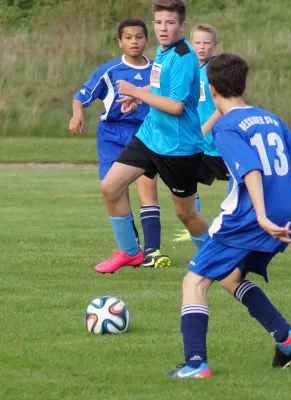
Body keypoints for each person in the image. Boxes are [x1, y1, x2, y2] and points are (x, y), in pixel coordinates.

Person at [168, 54, 291, 378]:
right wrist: (286, 205)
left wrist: (262, 215)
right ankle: (286, 336)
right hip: (284, 213)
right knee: (230, 277)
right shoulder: (270, 118)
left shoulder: (227, 125)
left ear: (210, 89)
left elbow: (250, 168)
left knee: (194, 281)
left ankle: (196, 364)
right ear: (245, 85)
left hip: (249, 217)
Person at [93, 0, 209, 274]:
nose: (163, 28)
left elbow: (175, 106)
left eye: (170, 23)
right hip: (150, 136)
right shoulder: (164, 50)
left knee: (185, 213)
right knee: (111, 187)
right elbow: (159, 86)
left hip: (179, 147)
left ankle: (217, 256)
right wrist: (140, 95)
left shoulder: (182, 56)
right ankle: (130, 253)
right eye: (158, 22)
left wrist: (136, 92)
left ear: (182, 26)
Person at [69, 18, 170, 271]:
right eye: (128, 38)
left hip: (145, 133)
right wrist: (77, 113)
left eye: (139, 37)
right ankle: (131, 248)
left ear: (147, 40)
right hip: (112, 135)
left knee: (147, 187)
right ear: (120, 42)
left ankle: (153, 251)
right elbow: (81, 96)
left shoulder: (158, 69)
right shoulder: (110, 70)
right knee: (115, 189)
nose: (134, 42)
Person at [172, 23, 229, 243]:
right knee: (186, 182)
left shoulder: (216, 71)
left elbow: (223, 106)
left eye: (207, 43)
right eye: (197, 43)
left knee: (241, 183)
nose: (202, 47)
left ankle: (239, 224)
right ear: (190, 42)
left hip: (220, 142)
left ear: (215, 46)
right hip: (197, 144)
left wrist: (204, 129)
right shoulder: (186, 68)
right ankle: (193, 226)